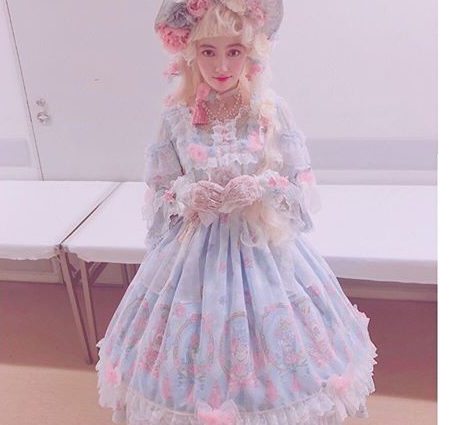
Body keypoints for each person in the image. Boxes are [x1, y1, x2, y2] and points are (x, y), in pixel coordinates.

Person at [96, 1, 377, 424]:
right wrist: (187, 194)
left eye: (234, 50)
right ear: (190, 53)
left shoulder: (270, 110)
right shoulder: (176, 116)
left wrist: (261, 186)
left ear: (251, 52)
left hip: (262, 245)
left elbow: (299, 188)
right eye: (208, 51)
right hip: (194, 255)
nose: (222, 65)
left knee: (279, 350)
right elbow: (159, 191)